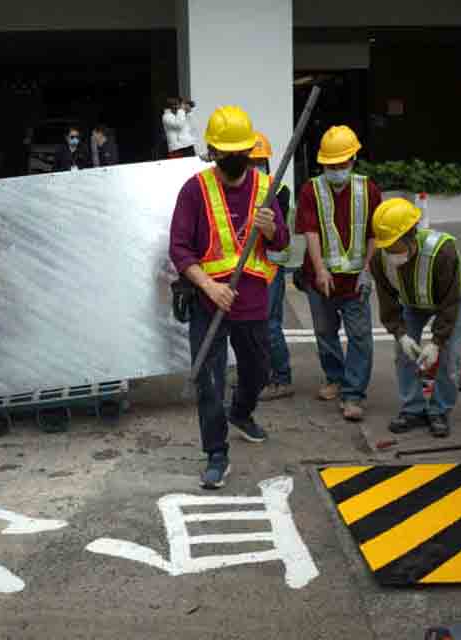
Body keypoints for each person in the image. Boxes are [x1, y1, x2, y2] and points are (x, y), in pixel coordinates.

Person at [169, 105, 290, 489]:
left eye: (242, 153)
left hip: (253, 301)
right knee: (210, 380)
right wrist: (208, 285)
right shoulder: (195, 189)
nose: (236, 160)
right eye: (228, 153)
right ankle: (216, 454)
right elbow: (180, 248)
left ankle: (242, 411)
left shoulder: (266, 189)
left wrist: (272, 230)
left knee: (258, 370)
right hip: (209, 302)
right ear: (212, 150)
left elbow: (283, 244)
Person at [296, 125, 381, 422]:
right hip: (321, 280)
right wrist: (319, 269)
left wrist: (368, 269)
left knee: (360, 337)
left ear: (353, 160)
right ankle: (335, 377)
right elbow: (310, 231)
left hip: (355, 280)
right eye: (330, 165)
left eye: (341, 164)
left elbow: (374, 233)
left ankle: (354, 394)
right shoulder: (311, 190)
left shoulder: (368, 190)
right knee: (324, 331)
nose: (336, 170)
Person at [371, 198, 461, 438]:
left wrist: (437, 343)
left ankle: (440, 410)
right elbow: (388, 303)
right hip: (413, 302)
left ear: (411, 236)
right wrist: (401, 335)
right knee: (403, 353)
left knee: (449, 356)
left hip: (452, 299)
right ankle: (413, 408)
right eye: (387, 248)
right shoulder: (379, 258)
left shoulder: (443, 252)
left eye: (395, 247)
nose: (391, 254)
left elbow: (450, 304)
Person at [249, 131, 294, 401]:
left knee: (269, 323)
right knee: (253, 324)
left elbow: (274, 228)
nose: (255, 166)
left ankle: (282, 377)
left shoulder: (278, 190)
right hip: (251, 266)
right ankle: (262, 375)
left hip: (272, 267)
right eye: (250, 161)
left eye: (259, 161)